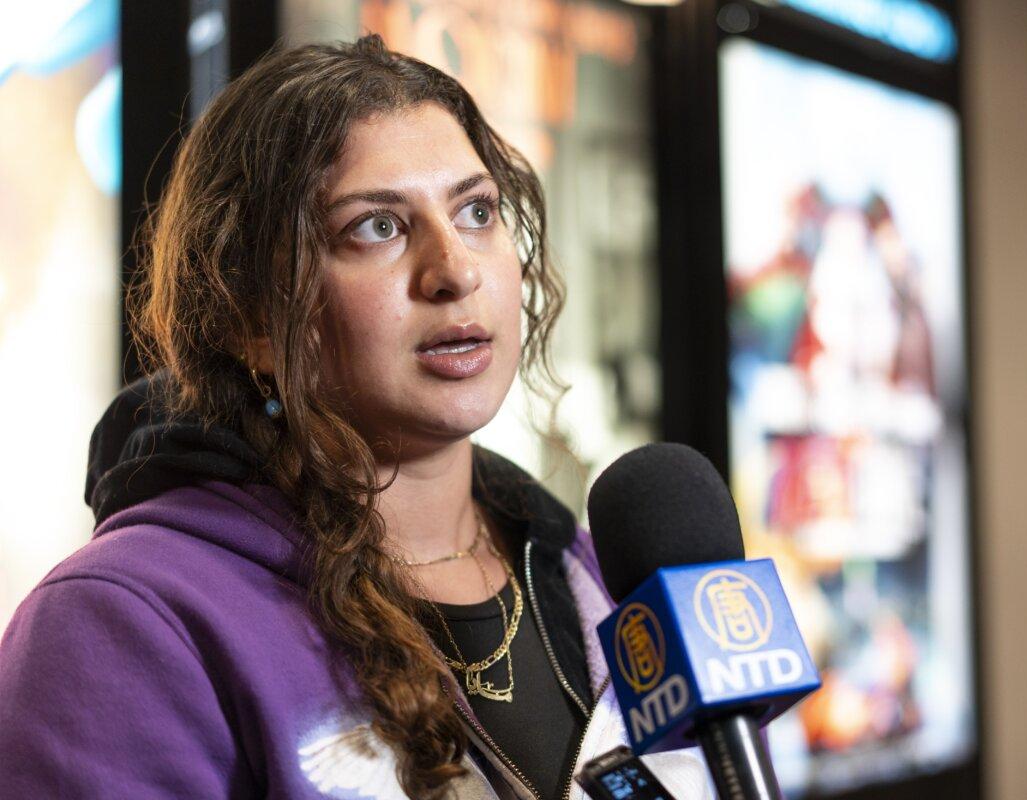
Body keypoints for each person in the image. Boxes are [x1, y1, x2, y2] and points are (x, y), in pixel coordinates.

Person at [0, 35, 710, 800]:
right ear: (250, 319)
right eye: (376, 226)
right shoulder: (121, 625)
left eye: (477, 211)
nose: (456, 269)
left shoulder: (592, 575)